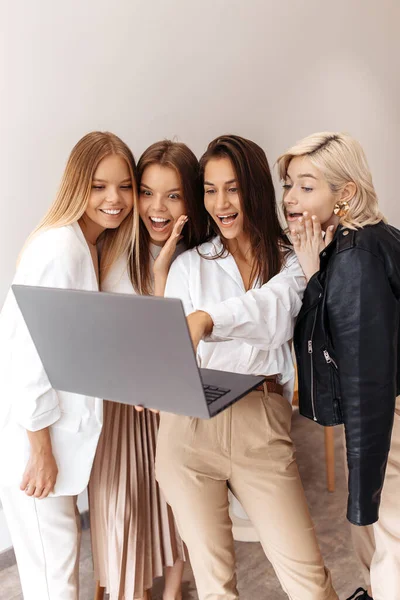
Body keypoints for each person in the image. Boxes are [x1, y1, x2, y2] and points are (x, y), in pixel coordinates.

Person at [156, 134, 338, 600]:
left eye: (232, 188)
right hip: (189, 428)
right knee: (217, 589)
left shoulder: (295, 256)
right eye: (211, 190)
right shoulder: (189, 266)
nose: (221, 202)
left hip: (261, 421)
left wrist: (207, 319)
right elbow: (174, 354)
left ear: (255, 188)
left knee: (309, 582)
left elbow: (276, 314)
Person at [0, 131, 137, 600]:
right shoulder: (60, 249)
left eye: (124, 186)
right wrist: (40, 448)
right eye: (99, 186)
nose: (114, 199)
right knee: (52, 576)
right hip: (36, 439)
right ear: (78, 185)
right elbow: (29, 356)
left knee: (57, 565)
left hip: (52, 437)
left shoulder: (86, 247)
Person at [278, 131, 400, 600]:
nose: (290, 198)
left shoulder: (354, 257)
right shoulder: (368, 239)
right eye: (288, 184)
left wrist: (361, 484)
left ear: (345, 193)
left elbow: (363, 378)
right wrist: (313, 272)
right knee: (376, 535)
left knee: (389, 535)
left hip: (386, 419)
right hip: (385, 413)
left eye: (307, 186)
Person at [89, 140, 210, 600]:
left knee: (173, 506)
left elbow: (175, 352)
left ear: (189, 200)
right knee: (120, 509)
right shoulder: (112, 247)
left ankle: (174, 590)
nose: (156, 208)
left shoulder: (198, 260)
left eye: (173, 195)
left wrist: (162, 276)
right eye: (147, 192)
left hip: (172, 404)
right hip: (121, 405)